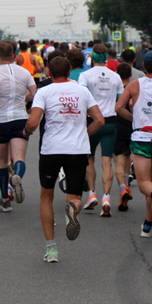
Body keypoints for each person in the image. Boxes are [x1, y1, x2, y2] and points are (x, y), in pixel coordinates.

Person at [25, 55, 104, 263]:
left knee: (46, 196)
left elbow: (33, 122)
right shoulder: (82, 90)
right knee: (75, 197)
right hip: (77, 150)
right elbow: (100, 120)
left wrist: (26, 131)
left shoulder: (44, 91)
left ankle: (51, 249)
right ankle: (72, 210)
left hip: (51, 150)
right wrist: (84, 134)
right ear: (70, 72)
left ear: (49, 73)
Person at [116, 49, 152, 238]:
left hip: (140, 138)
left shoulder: (134, 85)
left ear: (143, 66)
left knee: (145, 182)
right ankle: (148, 222)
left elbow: (118, 107)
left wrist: (134, 119)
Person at [0, 40, 36, 211]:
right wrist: (24, 98)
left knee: (1, 160)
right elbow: (34, 94)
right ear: (14, 55)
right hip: (20, 118)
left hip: (0, 119)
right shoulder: (25, 72)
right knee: (19, 157)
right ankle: (18, 176)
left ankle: (5, 199)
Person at [78, 43, 124, 216]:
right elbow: (120, 102)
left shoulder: (85, 76)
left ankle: (92, 194)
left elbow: (82, 98)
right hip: (110, 121)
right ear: (105, 57)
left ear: (92, 57)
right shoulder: (116, 77)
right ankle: (106, 197)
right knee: (107, 162)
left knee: (89, 158)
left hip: (92, 121)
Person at [114, 62, 135, 211]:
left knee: (119, 162)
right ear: (130, 75)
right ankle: (127, 186)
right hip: (133, 128)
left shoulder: (114, 89)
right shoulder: (134, 89)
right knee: (128, 158)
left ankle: (123, 189)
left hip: (118, 127)